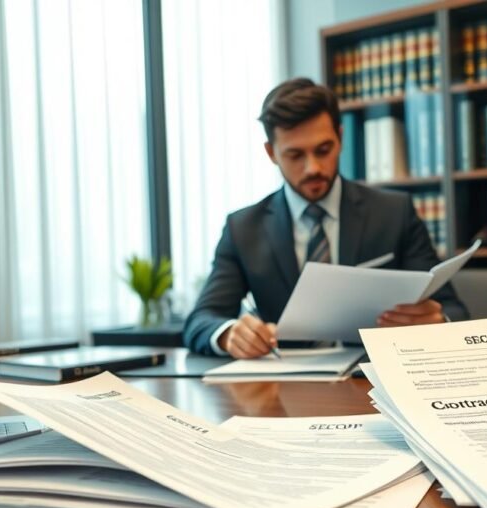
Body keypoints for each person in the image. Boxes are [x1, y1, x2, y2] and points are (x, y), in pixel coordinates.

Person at [183, 78, 469, 358]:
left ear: (340, 139)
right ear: (271, 153)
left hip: (374, 378)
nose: (313, 168)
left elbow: (453, 310)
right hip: (282, 387)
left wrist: (436, 322)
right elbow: (201, 320)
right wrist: (229, 333)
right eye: (295, 155)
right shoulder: (243, 228)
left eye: (323, 150)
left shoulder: (394, 212)